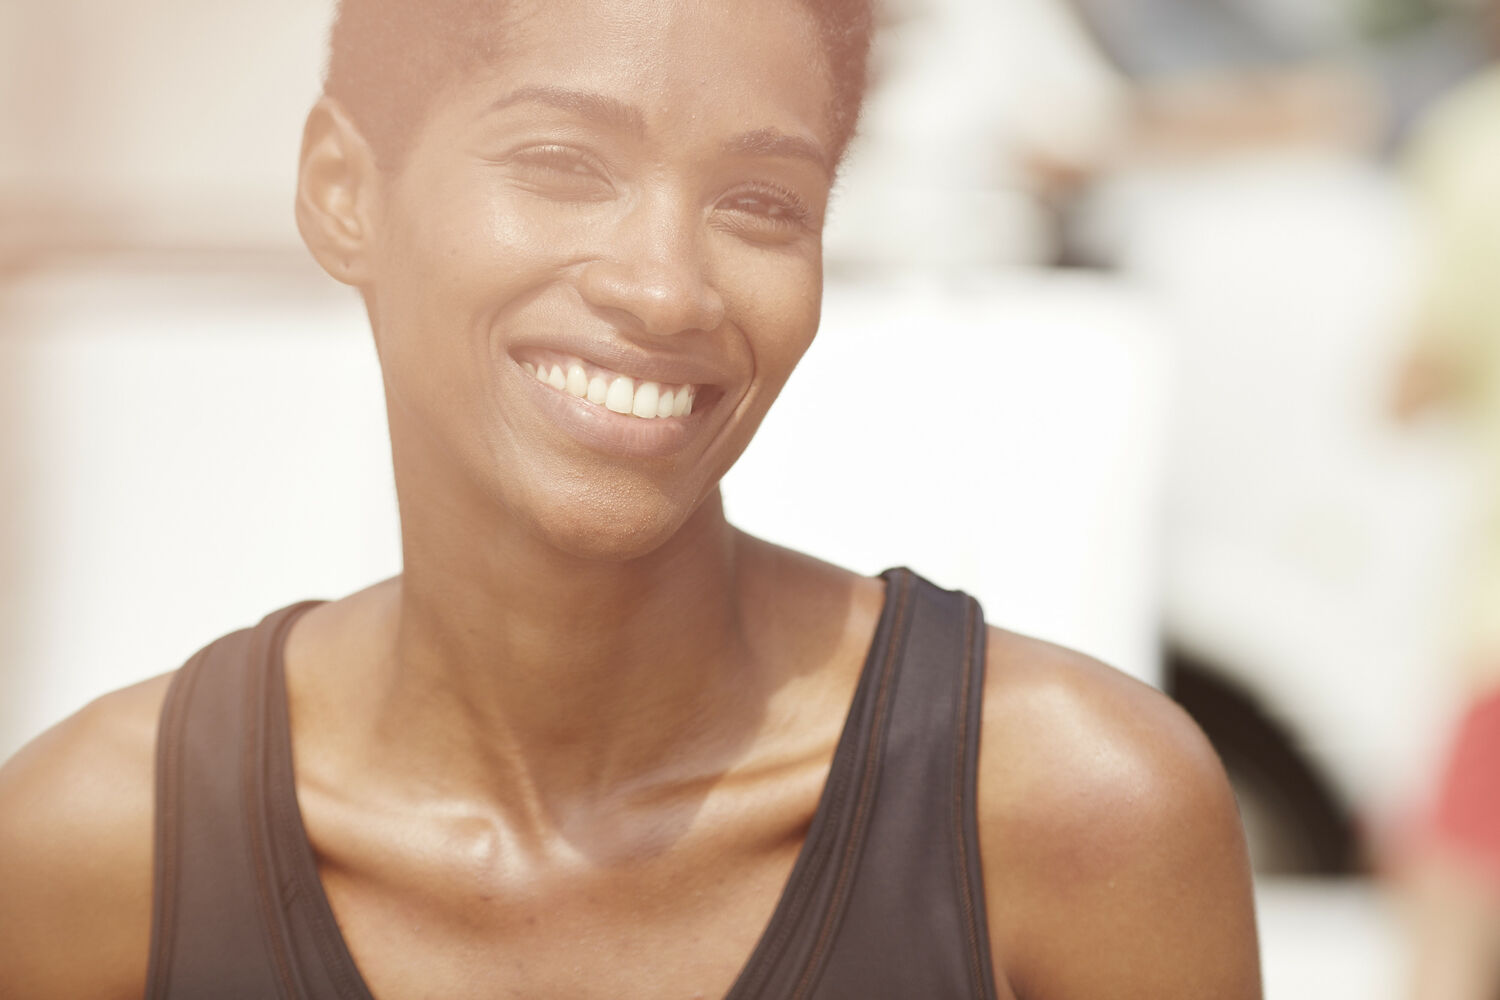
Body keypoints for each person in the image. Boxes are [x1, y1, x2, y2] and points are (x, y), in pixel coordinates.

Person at [0, 1, 1261, 996]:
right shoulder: (96, 853)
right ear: (343, 188)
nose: (665, 289)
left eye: (761, 202)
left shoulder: (1070, 814)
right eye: (561, 162)